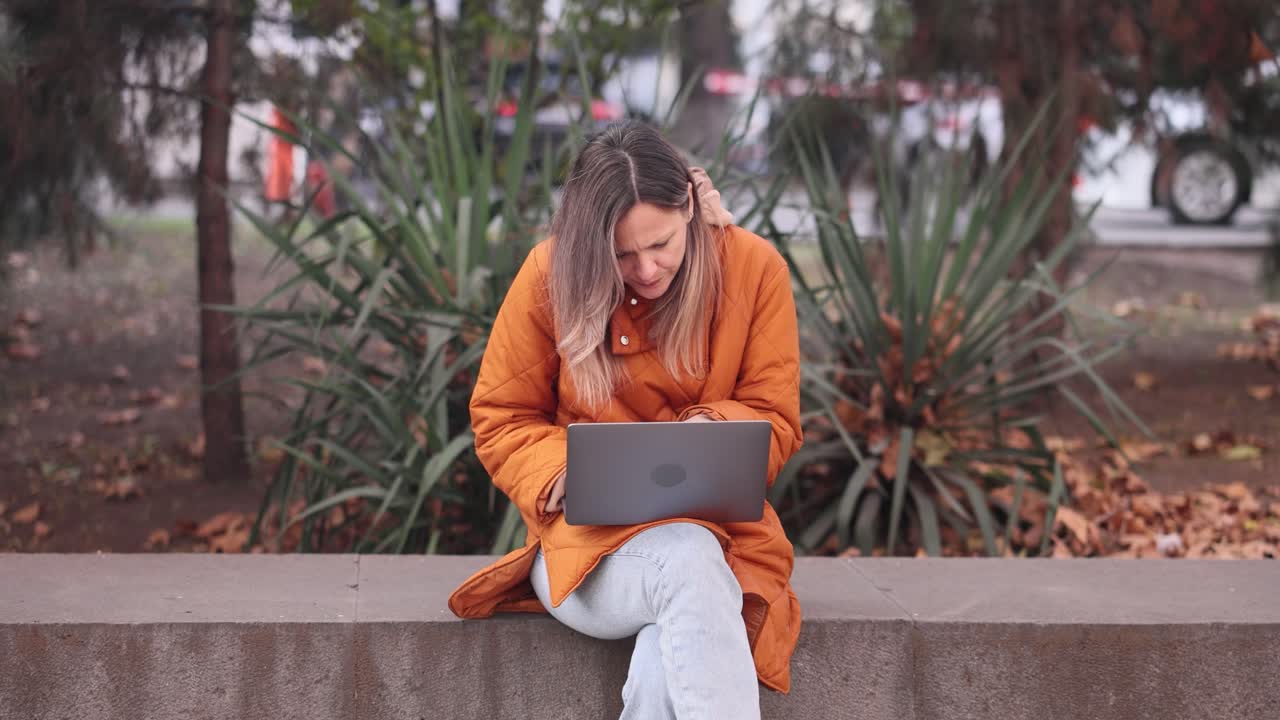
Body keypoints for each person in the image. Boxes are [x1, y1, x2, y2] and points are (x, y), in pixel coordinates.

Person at [448, 122, 803, 719]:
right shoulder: (549, 274)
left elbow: (776, 415)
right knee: (688, 560)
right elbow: (500, 415)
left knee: (667, 659)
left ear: (689, 205)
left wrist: (711, 433)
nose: (644, 269)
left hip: (730, 543)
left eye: (661, 243)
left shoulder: (753, 269)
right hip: (583, 551)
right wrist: (562, 473)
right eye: (621, 253)